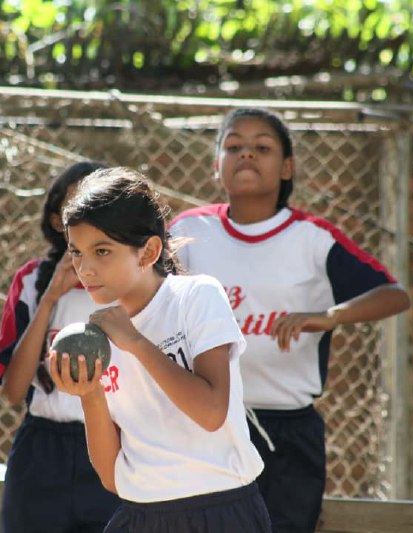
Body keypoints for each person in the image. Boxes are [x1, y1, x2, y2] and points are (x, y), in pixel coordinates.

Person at [170, 108, 411, 532]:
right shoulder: (190, 231)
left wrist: (329, 316)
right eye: (234, 147)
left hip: (287, 431)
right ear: (216, 165)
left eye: (262, 147)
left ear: (286, 168)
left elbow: (394, 295)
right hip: (206, 420)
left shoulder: (313, 237)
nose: (246, 155)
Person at [49, 167, 271, 533]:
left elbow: (212, 412)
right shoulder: (95, 336)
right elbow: (112, 477)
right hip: (141, 515)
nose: (85, 268)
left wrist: (136, 343)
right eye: (76, 252)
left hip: (220, 511)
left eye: (102, 251)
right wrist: (89, 394)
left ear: (148, 251)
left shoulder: (195, 296)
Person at [0, 161, 121, 533]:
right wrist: (51, 298)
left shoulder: (140, 287)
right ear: (56, 221)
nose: (90, 219)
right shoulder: (34, 281)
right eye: (77, 208)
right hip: (43, 449)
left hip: (117, 442)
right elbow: (14, 393)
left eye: (102, 207)